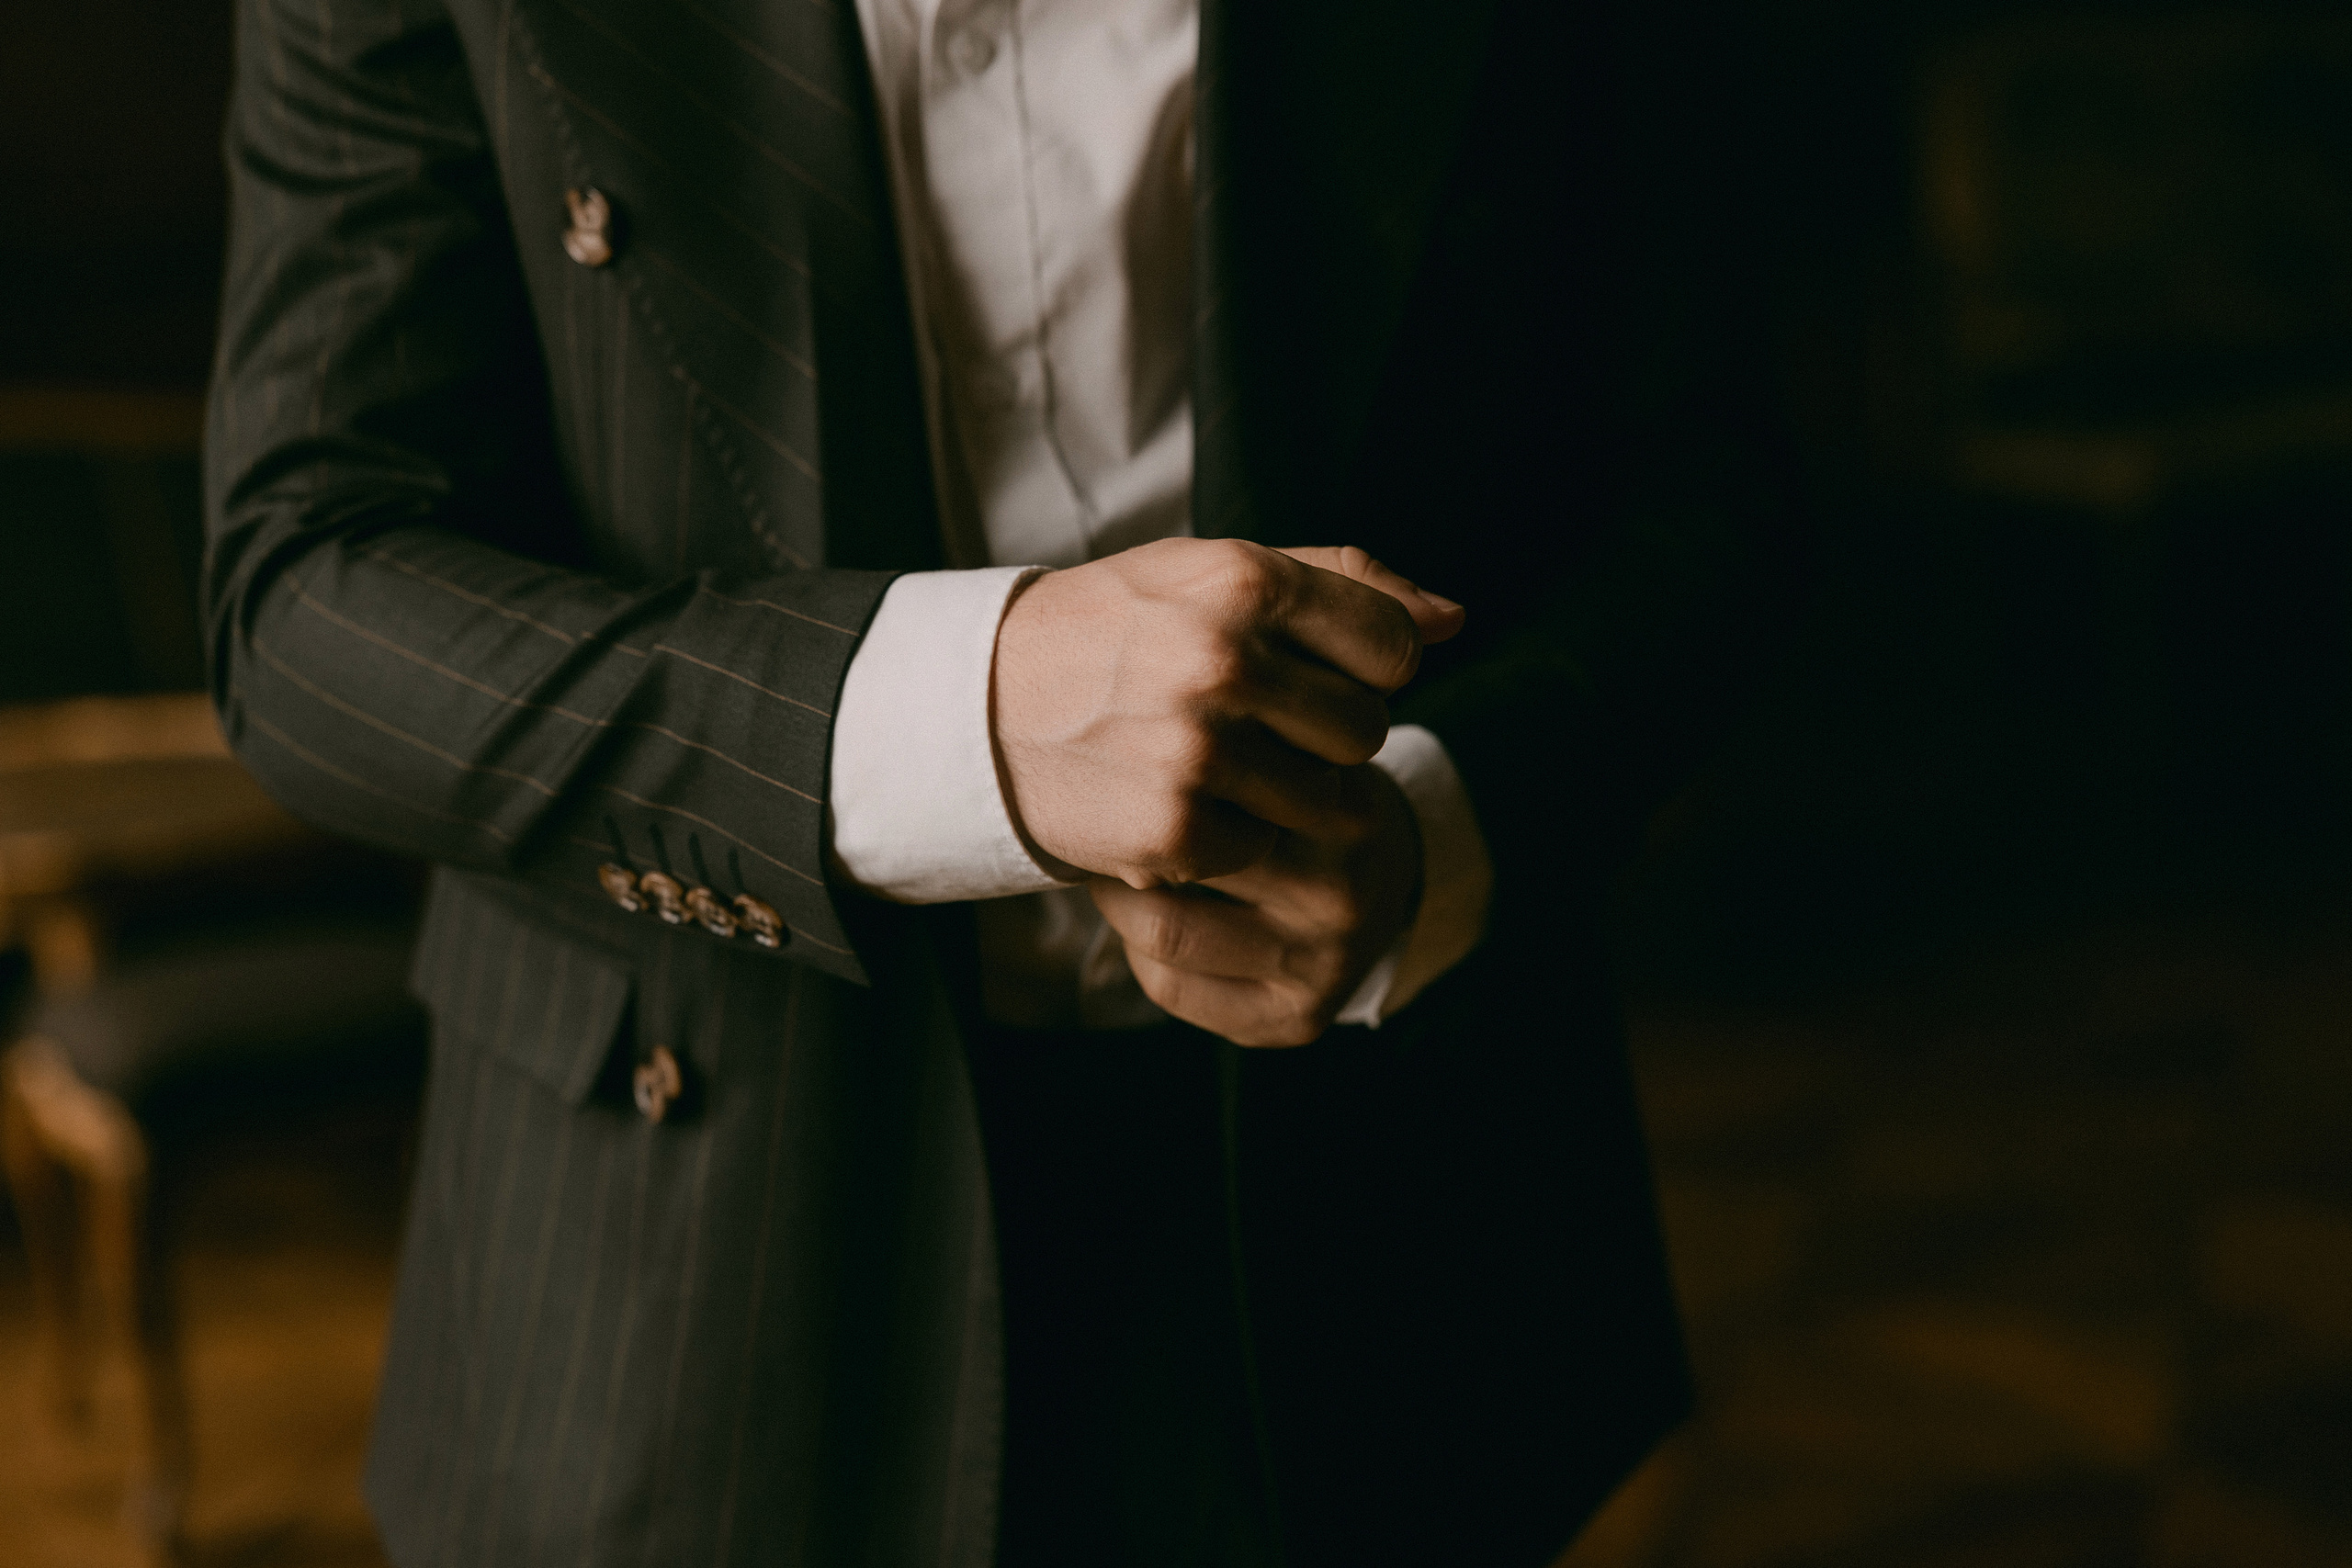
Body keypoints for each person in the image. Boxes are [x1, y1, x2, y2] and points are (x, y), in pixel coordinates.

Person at [203, 0, 1800, 1562]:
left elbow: (1726, 477)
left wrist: (1437, 824)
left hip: (1395, 1215)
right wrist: (955, 716)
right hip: (682, 1240)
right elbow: (302, 589)